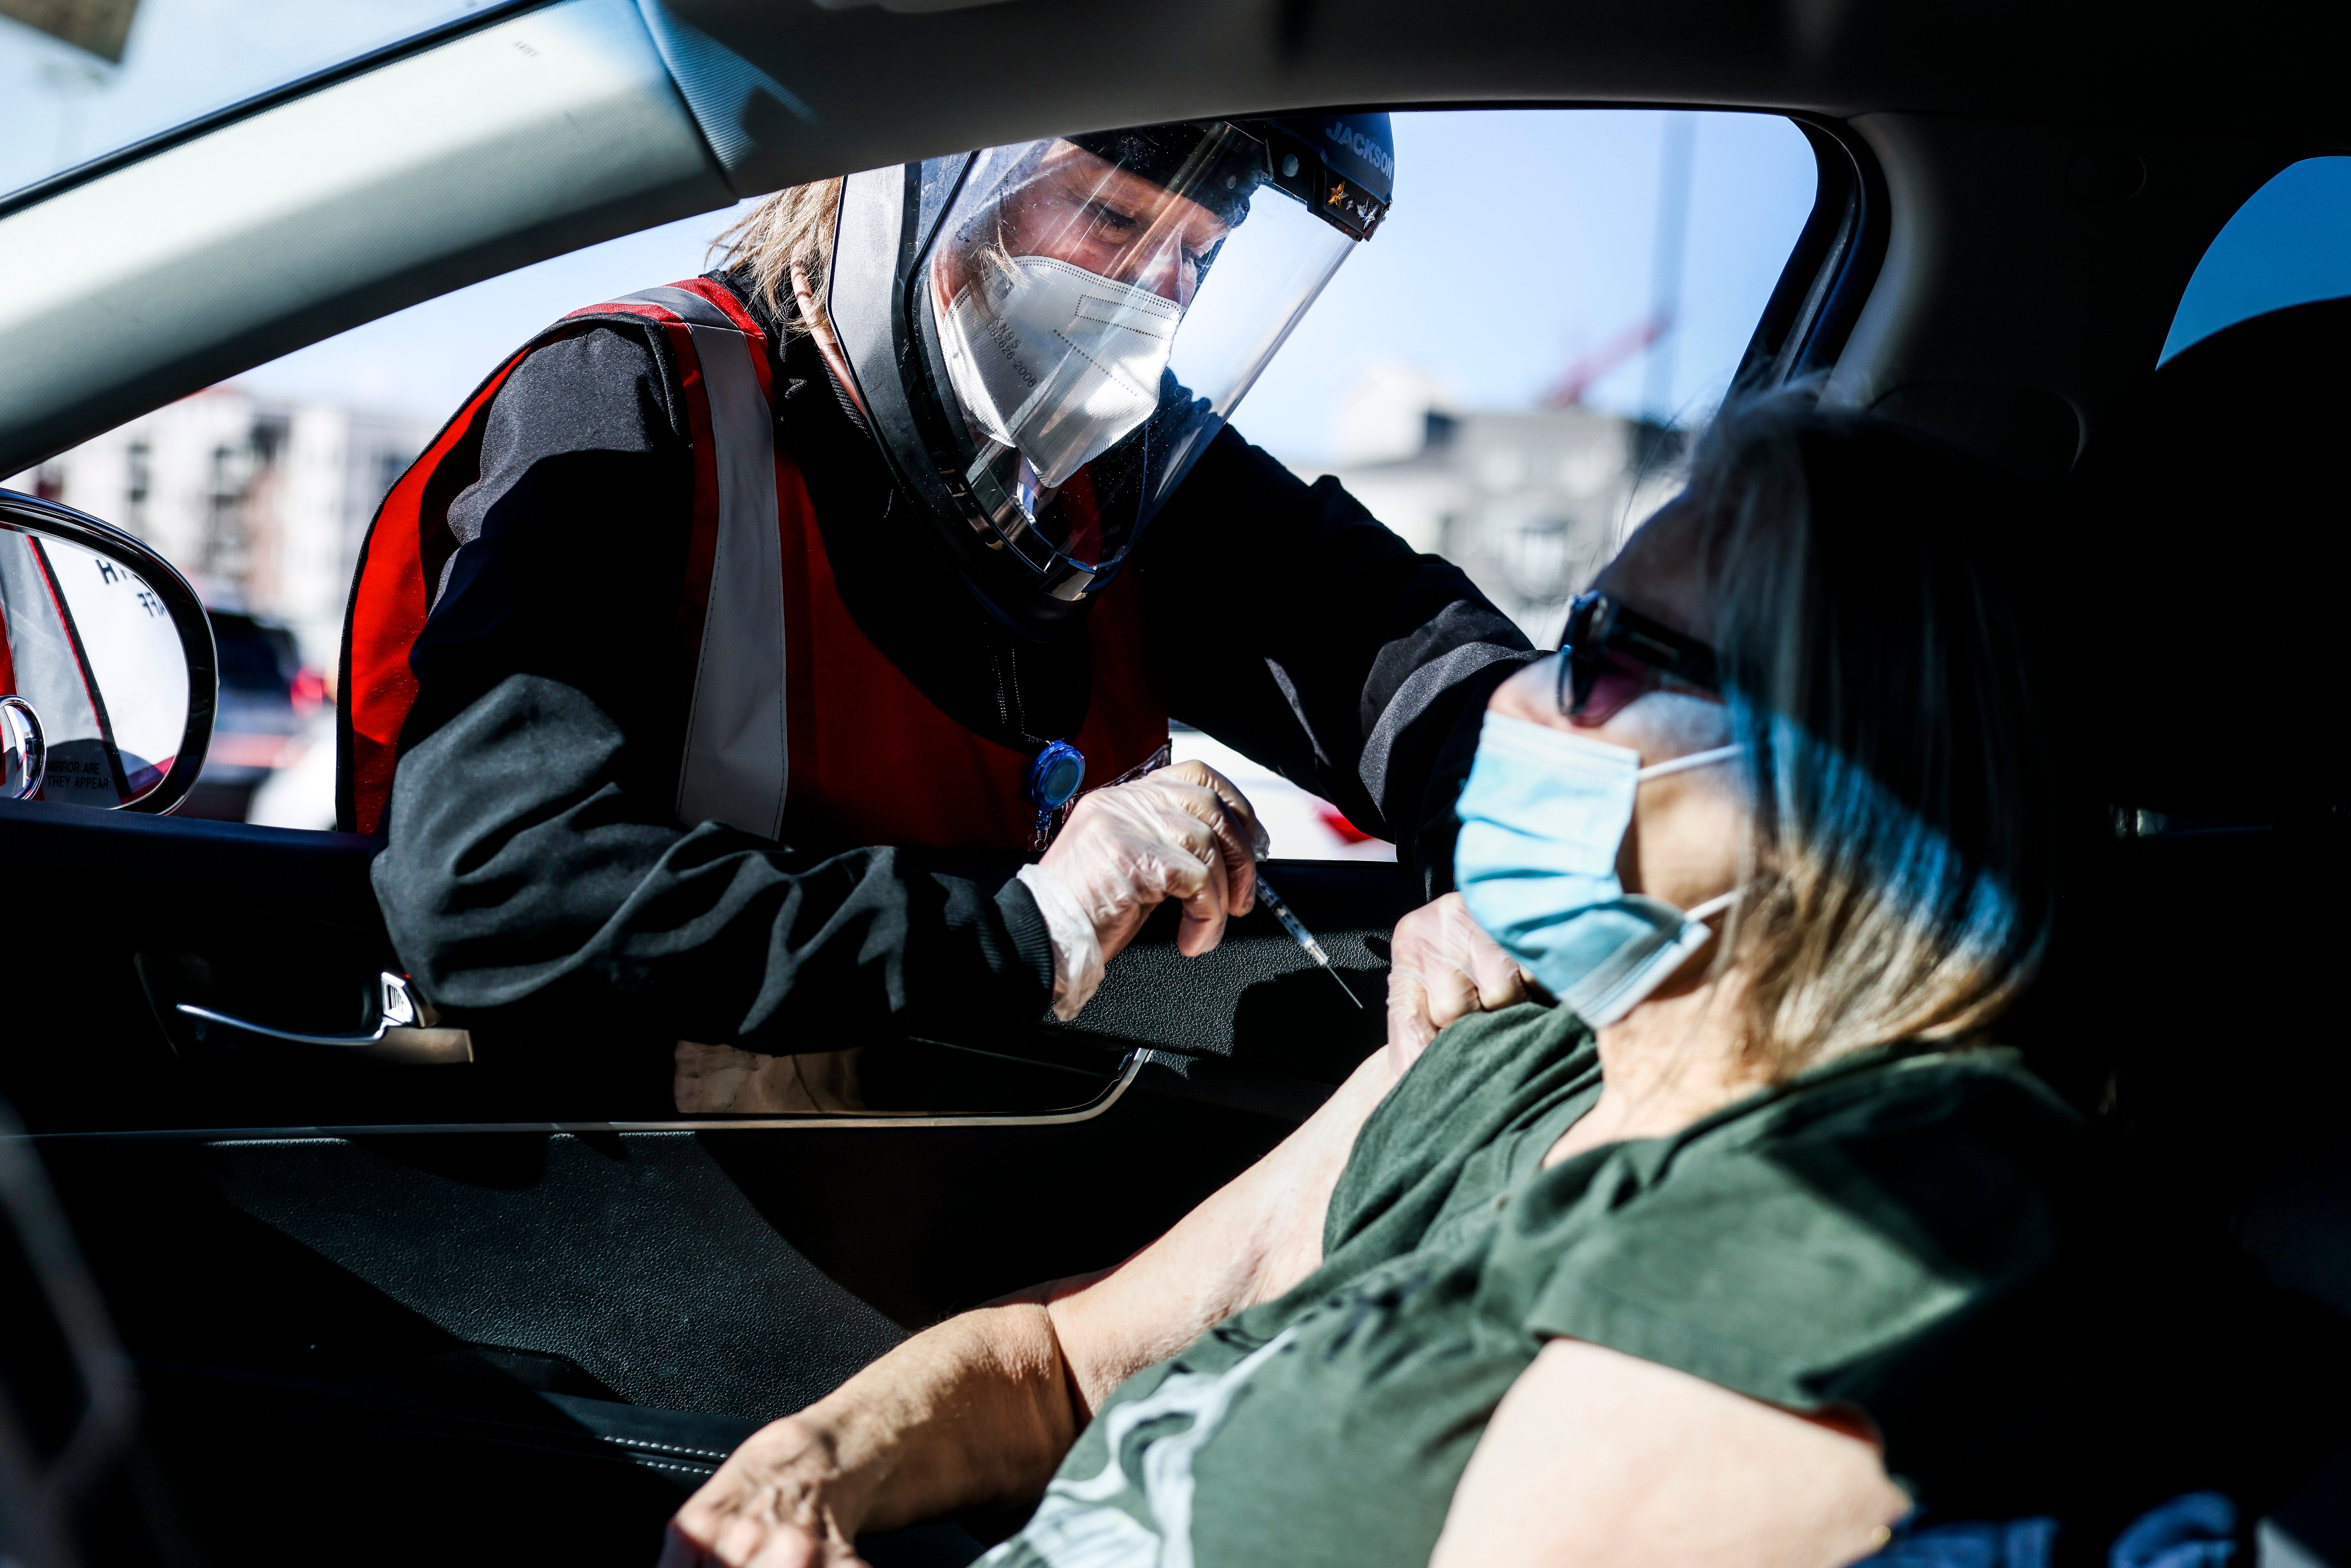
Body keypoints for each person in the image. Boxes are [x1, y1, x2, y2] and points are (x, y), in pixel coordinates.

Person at [654, 397, 2157, 1567]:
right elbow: (1058, 1365)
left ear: (1834, 775)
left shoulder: (1874, 1219)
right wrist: (809, 1466)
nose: (1512, 694)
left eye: (1601, 655)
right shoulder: (1506, 1060)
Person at [339, 116, 1533, 1107]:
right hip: (652, 1247)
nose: (1150, 302)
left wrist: (1515, 852)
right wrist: (1024, 930)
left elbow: (1400, 654)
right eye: (1114, 221)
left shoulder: (1121, 476)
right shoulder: (640, 407)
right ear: (928, 179)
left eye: (1196, 257)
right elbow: (490, 884)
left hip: (992, 1216)